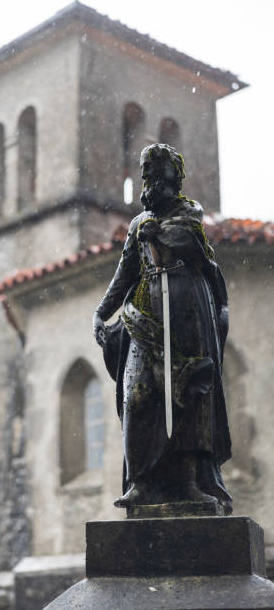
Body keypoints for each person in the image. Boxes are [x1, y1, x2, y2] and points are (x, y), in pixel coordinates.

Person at [93, 143, 232, 513]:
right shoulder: (139, 224)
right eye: (148, 176)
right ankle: (142, 481)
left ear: (174, 179)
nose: (152, 183)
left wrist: (159, 233)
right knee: (137, 394)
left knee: (189, 396)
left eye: (160, 175)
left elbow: (188, 240)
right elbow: (125, 272)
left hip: (188, 309)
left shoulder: (189, 212)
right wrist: (102, 311)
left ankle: (190, 482)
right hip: (145, 312)